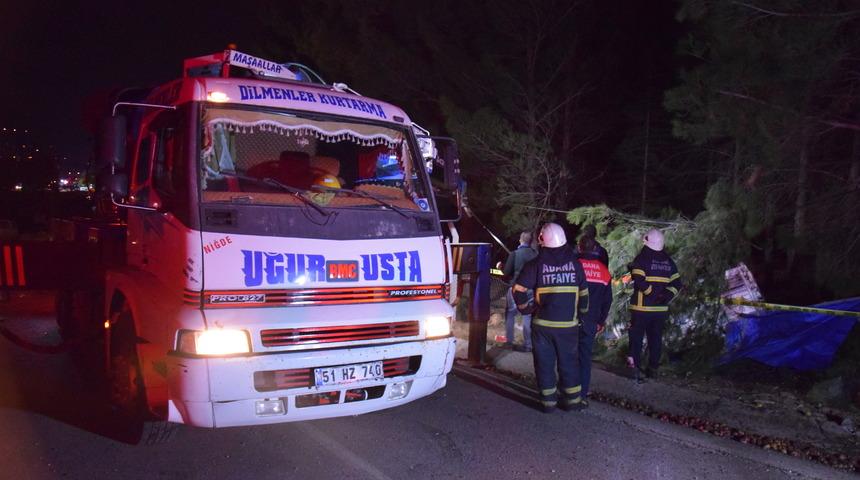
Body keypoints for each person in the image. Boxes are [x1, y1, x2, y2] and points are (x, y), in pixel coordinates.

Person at [514, 223, 589, 412]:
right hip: (568, 327)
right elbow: (585, 295)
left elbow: (518, 290)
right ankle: (572, 402)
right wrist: (582, 314)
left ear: (541, 240)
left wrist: (525, 309)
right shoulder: (575, 264)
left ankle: (548, 403)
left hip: (543, 327)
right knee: (569, 363)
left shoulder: (536, 264)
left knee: (544, 364)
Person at [628, 229, 682, 382]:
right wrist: (666, 296)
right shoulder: (668, 261)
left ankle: (634, 369)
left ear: (647, 241)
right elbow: (677, 283)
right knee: (655, 339)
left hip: (641, 309)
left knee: (636, 339)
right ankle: (653, 369)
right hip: (660, 310)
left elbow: (639, 281)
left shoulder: (641, 258)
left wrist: (652, 294)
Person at [577, 235, 613, 405]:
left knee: (567, 356)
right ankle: (581, 395)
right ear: (595, 249)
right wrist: (601, 321)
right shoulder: (604, 271)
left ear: (579, 248)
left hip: (570, 319)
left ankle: (565, 390)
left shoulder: (573, 266)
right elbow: (607, 300)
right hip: (591, 321)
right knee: (584, 358)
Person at [503, 231, 538, 351]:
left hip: (515, 288)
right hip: (531, 289)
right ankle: (528, 345)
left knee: (510, 314)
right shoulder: (536, 254)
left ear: (520, 240)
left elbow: (506, 272)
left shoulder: (514, 254)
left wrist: (499, 267)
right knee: (527, 315)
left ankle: (509, 342)